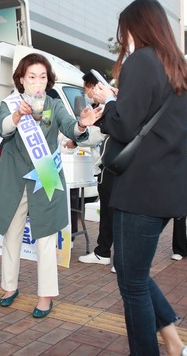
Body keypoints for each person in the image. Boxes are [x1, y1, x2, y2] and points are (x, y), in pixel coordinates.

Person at [92, 0, 187, 356]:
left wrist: (108, 102)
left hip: (139, 190)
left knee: (132, 281)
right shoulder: (176, 68)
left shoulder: (141, 61)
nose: (125, 39)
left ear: (137, 27)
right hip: (167, 189)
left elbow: (123, 124)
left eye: (126, 31)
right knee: (130, 269)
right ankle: (174, 342)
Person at [0, 53, 102, 318]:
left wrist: (82, 124)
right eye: (31, 77)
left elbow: (71, 126)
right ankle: (9, 287)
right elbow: (3, 130)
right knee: (11, 233)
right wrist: (17, 115)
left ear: (48, 80)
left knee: (47, 237)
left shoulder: (53, 104)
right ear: (21, 79)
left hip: (46, 173)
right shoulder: (10, 104)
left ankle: (45, 295)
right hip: (14, 175)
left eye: (42, 77)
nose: (37, 82)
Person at [75, 72, 116, 271]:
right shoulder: (104, 106)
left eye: (86, 89)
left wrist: (75, 138)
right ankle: (103, 252)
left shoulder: (109, 106)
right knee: (109, 213)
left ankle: (107, 253)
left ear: (95, 87)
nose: (87, 94)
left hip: (112, 168)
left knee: (113, 213)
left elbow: (96, 135)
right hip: (107, 168)